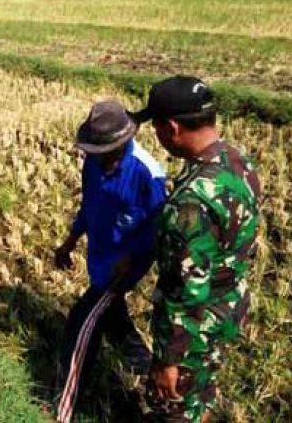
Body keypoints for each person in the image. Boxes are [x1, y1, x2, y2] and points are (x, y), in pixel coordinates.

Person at [130, 76, 261, 422]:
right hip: (227, 309)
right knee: (200, 397)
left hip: (194, 332)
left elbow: (186, 291)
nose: (155, 136)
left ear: (172, 128)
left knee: (173, 408)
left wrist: (168, 360)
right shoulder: (237, 162)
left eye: (156, 127)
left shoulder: (191, 203)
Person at [55, 101, 166, 405]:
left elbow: (159, 229)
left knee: (81, 324)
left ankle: (63, 408)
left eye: (103, 152)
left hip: (123, 265)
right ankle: (144, 365)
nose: (96, 157)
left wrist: (132, 260)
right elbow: (89, 207)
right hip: (100, 255)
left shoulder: (148, 175)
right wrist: (69, 242)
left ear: (122, 143)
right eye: (93, 151)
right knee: (113, 319)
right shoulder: (93, 162)